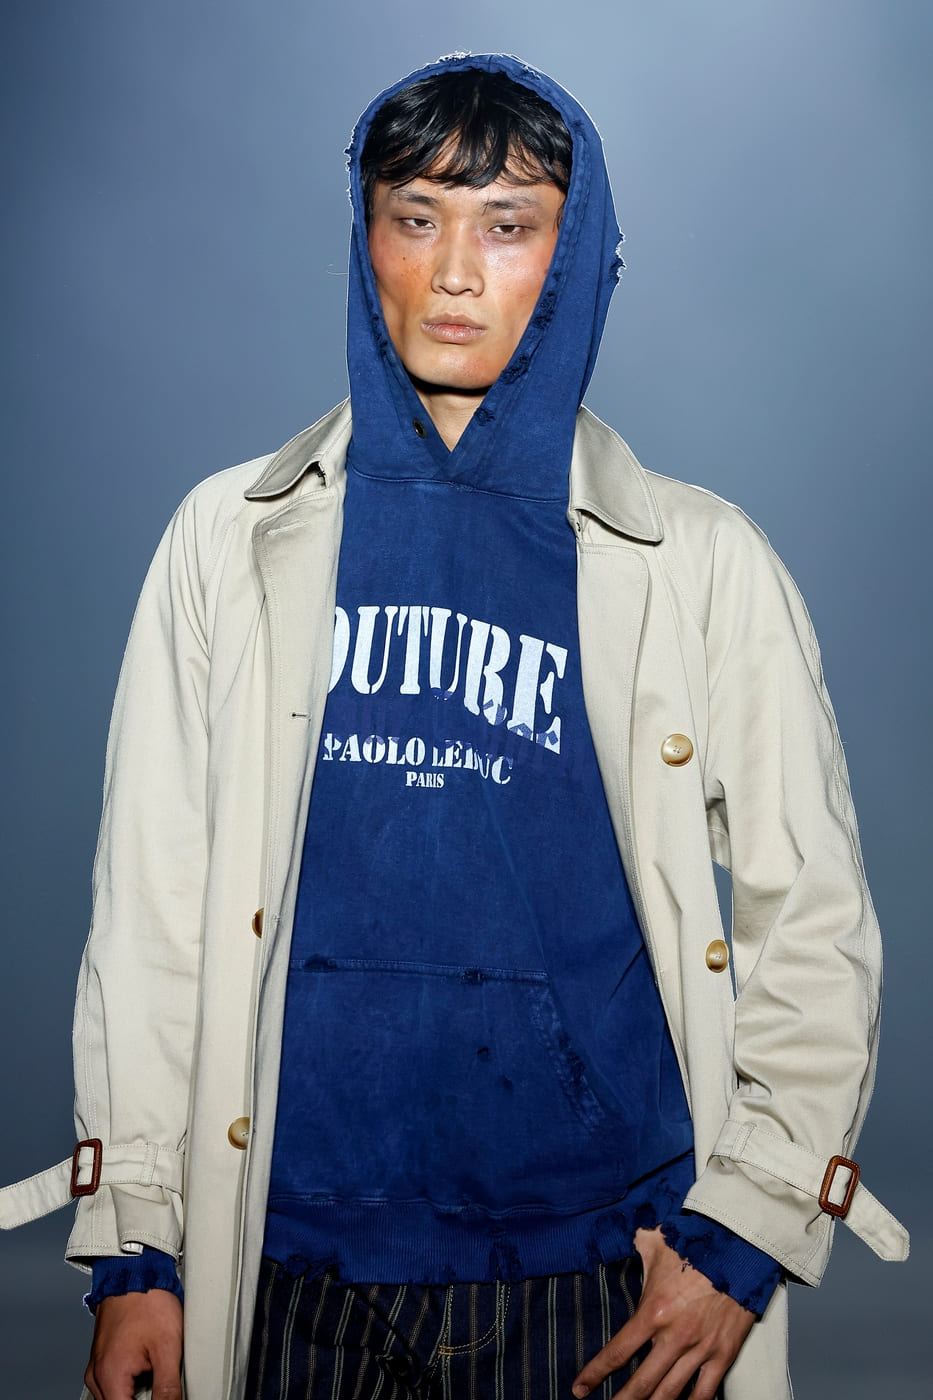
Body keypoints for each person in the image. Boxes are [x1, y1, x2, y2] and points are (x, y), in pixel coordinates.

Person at [0, 53, 908, 1400]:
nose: (455, 272)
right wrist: (137, 1248)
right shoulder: (227, 541)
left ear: (577, 253)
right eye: (415, 217)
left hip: (599, 1273)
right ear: (364, 237)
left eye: (509, 224)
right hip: (289, 1270)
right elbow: (152, 918)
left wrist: (746, 1234)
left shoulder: (701, 564)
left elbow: (813, 919)